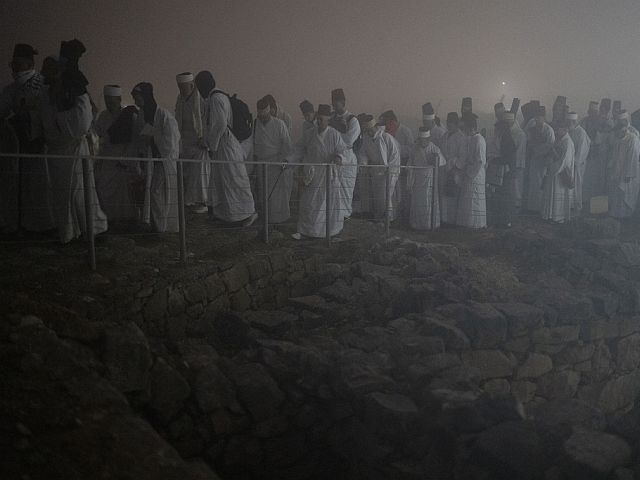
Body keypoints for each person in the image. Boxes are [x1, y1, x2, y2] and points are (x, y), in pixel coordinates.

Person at [37, 53, 108, 243]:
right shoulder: (45, 94)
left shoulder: (75, 94)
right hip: (57, 151)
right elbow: (46, 121)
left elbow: (82, 122)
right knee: (62, 194)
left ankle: (93, 229)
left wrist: (60, 121)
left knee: (81, 192)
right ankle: (68, 232)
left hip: (75, 150)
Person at [0, 43, 54, 233]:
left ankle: (42, 226)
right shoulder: (12, 88)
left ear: (29, 64)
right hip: (18, 146)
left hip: (39, 145)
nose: (14, 68)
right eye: (12, 64)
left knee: (39, 186)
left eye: (18, 64)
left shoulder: (43, 85)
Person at [195, 71, 257, 226]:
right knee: (222, 181)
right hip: (223, 146)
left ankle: (248, 213)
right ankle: (227, 215)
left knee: (236, 180)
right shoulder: (217, 97)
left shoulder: (216, 99)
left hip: (226, 146)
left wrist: (212, 145)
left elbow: (220, 124)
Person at [288, 104, 346, 239]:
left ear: (328, 119)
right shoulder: (309, 134)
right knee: (308, 202)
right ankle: (306, 231)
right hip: (312, 174)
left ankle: (328, 231)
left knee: (326, 204)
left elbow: (342, 151)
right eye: (318, 119)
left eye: (321, 119)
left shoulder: (334, 134)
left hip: (328, 175)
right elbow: (299, 149)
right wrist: (288, 160)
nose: (318, 122)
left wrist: (339, 157)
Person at [131, 82, 180, 233]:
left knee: (157, 192)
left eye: (138, 97)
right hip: (153, 161)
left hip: (165, 161)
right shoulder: (142, 115)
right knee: (154, 192)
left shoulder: (164, 115)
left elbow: (171, 141)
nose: (136, 101)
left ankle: (162, 226)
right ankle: (157, 225)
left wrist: (153, 140)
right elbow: (139, 137)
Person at [93, 84, 139, 221]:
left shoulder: (128, 116)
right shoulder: (103, 116)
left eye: (112, 102)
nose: (109, 105)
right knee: (103, 187)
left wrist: (126, 159)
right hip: (107, 159)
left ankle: (124, 219)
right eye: (107, 102)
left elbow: (134, 141)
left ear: (119, 99)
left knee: (123, 193)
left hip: (122, 159)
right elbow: (98, 136)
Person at [253, 96, 292, 224]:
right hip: (260, 164)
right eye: (260, 117)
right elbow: (252, 144)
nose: (262, 119)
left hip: (276, 165)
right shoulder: (255, 123)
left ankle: (278, 220)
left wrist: (284, 161)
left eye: (265, 116)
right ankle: (265, 220)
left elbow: (286, 145)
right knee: (262, 193)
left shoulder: (279, 124)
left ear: (269, 112)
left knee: (276, 195)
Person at [174, 72, 209, 213]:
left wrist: (203, 139)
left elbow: (205, 122)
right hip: (184, 142)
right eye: (180, 87)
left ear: (191, 85)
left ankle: (201, 202)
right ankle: (187, 202)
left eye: (184, 87)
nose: (182, 90)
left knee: (199, 175)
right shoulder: (180, 99)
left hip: (199, 144)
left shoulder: (201, 101)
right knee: (185, 174)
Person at [356, 114, 401, 220]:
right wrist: (364, 163)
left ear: (374, 127)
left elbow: (395, 156)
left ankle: (389, 219)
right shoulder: (366, 139)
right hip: (375, 172)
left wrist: (390, 170)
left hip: (388, 172)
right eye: (367, 130)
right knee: (378, 197)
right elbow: (363, 153)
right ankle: (380, 217)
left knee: (386, 195)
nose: (369, 132)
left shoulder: (386, 137)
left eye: (370, 129)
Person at [330, 88, 360, 220]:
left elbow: (348, 140)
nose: (334, 106)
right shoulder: (331, 118)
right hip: (333, 157)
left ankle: (345, 216)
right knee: (333, 188)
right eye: (333, 103)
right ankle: (334, 216)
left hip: (347, 158)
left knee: (345, 190)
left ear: (343, 102)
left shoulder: (352, 120)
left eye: (336, 103)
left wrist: (336, 130)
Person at [407, 128, 446, 230]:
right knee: (418, 202)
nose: (421, 142)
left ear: (428, 139)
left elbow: (442, 161)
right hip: (417, 180)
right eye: (420, 140)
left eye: (424, 140)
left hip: (429, 180)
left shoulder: (435, 149)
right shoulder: (414, 148)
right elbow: (410, 163)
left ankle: (429, 225)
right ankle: (416, 225)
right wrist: (410, 179)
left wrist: (435, 159)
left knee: (429, 202)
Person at [379, 109, 413, 223]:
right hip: (392, 164)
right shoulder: (388, 132)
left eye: (387, 123)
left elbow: (410, 150)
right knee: (392, 193)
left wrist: (397, 149)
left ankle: (403, 216)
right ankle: (392, 217)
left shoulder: (406, 131)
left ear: (393, 121)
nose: (386, 126)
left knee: (402, 193)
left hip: (403, 165)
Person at [456, 114, 486, 229]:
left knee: (475, 200)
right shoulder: (471, 139)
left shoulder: (479, 140)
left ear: (472, 128)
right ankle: (467, 223)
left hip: (475, 174)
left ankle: (476, 224)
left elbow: (480, 161)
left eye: (466, 128)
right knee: (468, 200)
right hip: (469, 171)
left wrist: (470, 173)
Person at [541, 121, 574, 223]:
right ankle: (550, 215)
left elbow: (565, 160)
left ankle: (558, 217)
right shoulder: (560, 140)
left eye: (559, 129)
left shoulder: (568, 142)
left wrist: (553, 168)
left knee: (558, 195)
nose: (557, 131)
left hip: (561, 173)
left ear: (565, 129)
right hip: (554, 171)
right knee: (551, 193)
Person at [524, 106, 555, 212]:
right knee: (533, 183)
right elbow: (528, 139)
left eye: (539, 117)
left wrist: (539, 150)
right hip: (534, 159)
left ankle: (540, 208)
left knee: (541, 183)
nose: (537, 120)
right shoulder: (532, 126)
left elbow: (550, 146)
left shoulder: (549, 130)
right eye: (536, 117)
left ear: (543, 117)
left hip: (543, 161)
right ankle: (532, 207)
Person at [607, 120, 640, 219]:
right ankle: (616, 216)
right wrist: (610, 167)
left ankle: (625, 217)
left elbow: (633, 158)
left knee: (626, 196)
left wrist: (628, 175)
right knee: (617, 195)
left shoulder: (633, 139)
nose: (616, 134)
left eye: (617, 132)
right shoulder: (618, 139)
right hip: (618, 172)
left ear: (623, 131)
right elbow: (615, 156)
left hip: (629, 174)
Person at [439, 112, 466, 224]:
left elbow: (463, 156)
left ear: (456, 124)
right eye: (448, 123)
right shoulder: (444, 136)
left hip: (455, 171)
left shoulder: (461, 137)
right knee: (444, 195)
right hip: (444, 169)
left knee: (453, 196)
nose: (449, 125)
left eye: (451, 123)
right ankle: (444, 219)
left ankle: (452, 220)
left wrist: (455, 166)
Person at [566, 112, 591, 212]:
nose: (567, 125)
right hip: (569, 165)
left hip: (577, 166)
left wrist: (574, 164)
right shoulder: (570, 131)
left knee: (576, 187)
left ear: (574, 122)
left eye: (569, 123)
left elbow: (581, 152)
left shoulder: (581, 134)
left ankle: (576, 208)